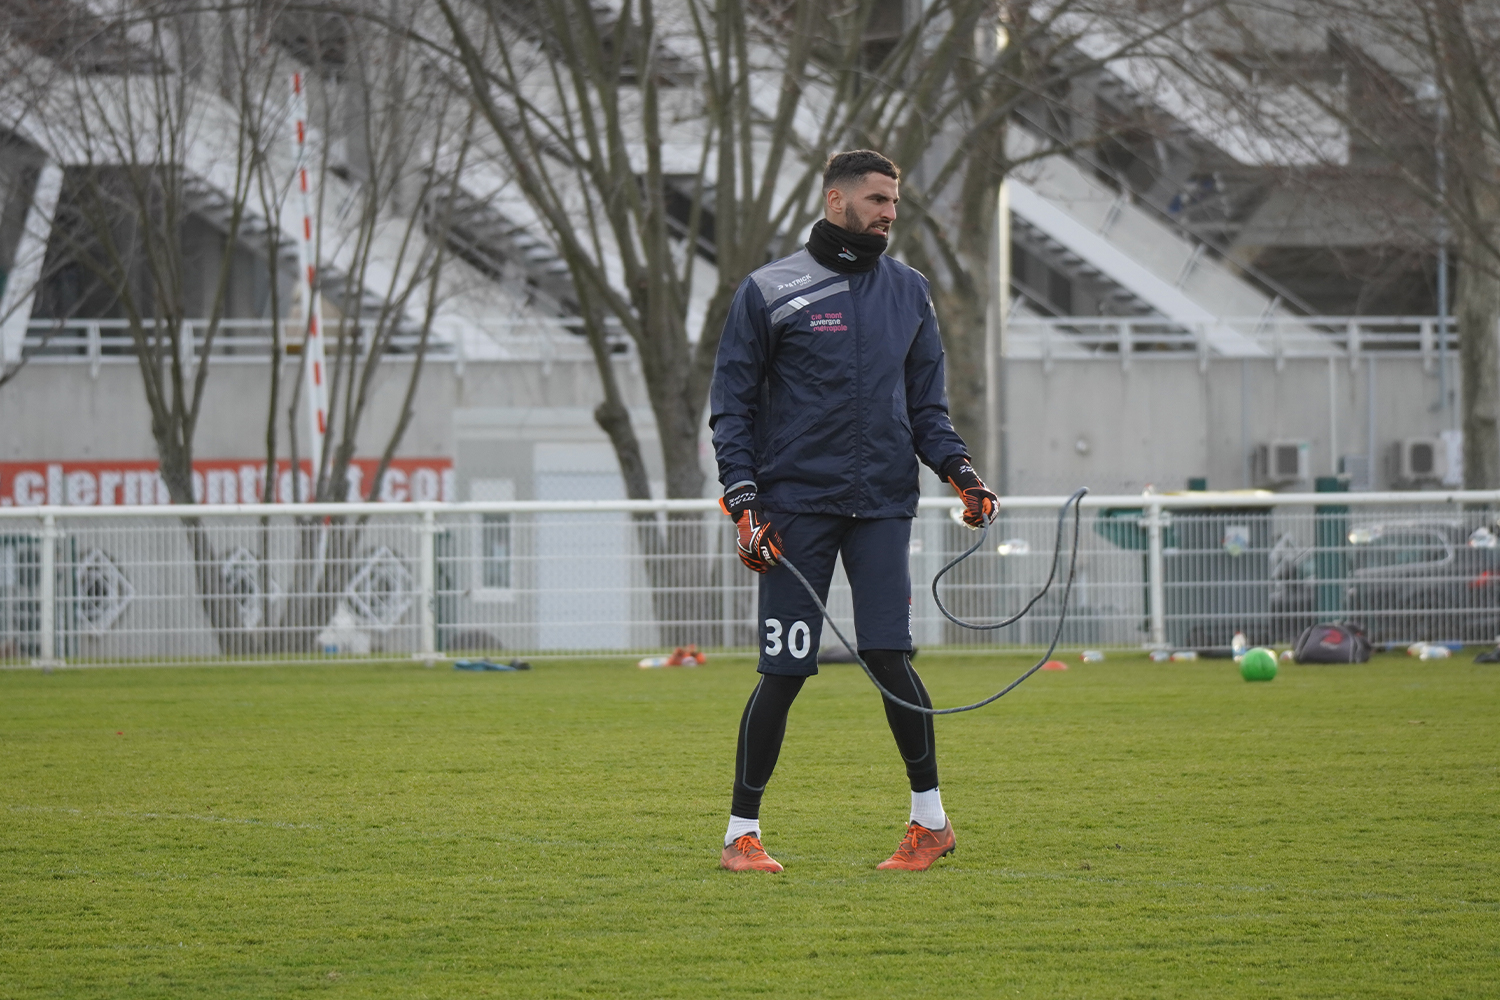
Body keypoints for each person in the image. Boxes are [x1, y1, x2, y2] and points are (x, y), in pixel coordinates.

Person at [709, 149, 998, 873]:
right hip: (792, 510)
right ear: (836, 201)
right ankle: (740, 835)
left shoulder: (911, 291)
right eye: (876, 200)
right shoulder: (769, 289)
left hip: (882, 507)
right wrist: (743, 500)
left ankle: (929, 824)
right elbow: (731, 408)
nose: (889, 213)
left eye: (894, 202)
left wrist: (963, 475)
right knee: (783, 670)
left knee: (889, 658)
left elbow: (928, 408)